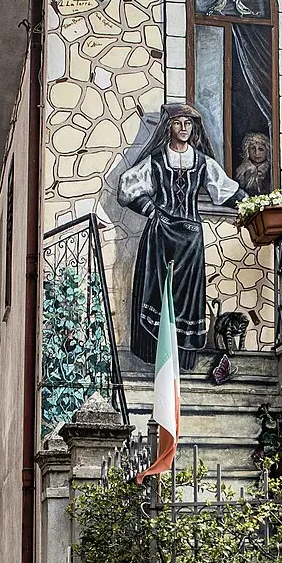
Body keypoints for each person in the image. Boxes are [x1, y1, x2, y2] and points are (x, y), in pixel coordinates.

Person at [118, 104, 239, 367]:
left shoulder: (203, 162)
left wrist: (253, 204)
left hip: (191, 240)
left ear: (194, 128)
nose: (184, 128)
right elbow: (126, 188)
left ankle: (182, 359)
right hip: (160, 237)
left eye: (188, 123)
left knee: (186, 297)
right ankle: (151, 353)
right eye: (178, 123)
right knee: (157, 291)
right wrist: (152, 211)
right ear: (169, 127)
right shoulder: (157, 160)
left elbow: (226, 191)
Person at [233, 132, 272, 197]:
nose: (256, 153)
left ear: (267, 151)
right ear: (247, 150)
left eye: (261, 149)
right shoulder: (241, 170)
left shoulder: (271, 170)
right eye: (253, 148)